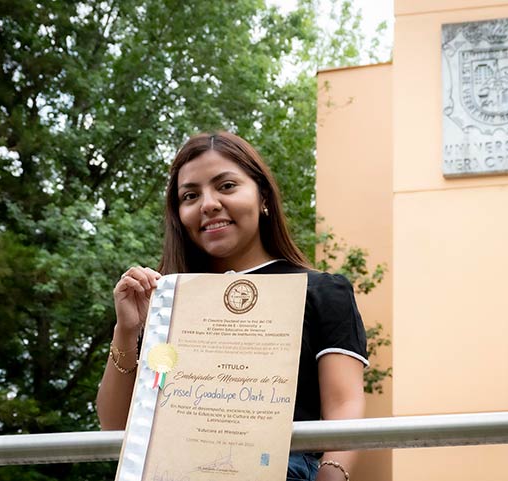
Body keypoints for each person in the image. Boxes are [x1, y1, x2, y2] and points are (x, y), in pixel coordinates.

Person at [96, 132, 368, 481]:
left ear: (263, 196)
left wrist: (330, 477)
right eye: (190, 195)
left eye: (225, 186)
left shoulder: (322, 291)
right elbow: (114, 426)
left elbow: (345, 404)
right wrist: (127, 330)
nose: (208, 204)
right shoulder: (167, 302)